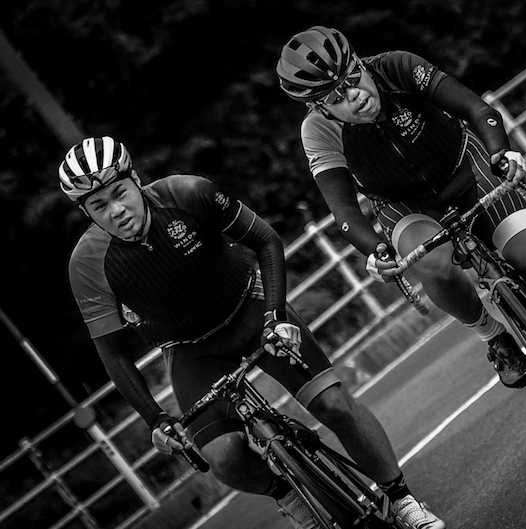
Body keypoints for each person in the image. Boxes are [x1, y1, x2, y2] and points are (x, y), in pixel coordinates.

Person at [276, 26, 526, 418]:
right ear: (319, 107)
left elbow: (477, 110)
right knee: (431, 264)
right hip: (404, 204)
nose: (354, 95)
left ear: (361, 62)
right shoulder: (317, 132)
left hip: (467, 168)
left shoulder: (397, 67)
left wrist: (504, 154)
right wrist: (375, 250)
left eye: (353, 78)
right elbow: (343, 211)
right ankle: (493, 335)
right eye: (335, 96)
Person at [59, 136, 445, 529]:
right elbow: (114, 353)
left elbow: (265, 239)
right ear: (86, 212)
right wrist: (155, 419)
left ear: (135, 180)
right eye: (99, 206)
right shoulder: (87, 265)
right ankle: (292, 497)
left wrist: (276, 316)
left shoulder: (187, 194)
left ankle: (402, 499)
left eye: (119, 193)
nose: (116, 210)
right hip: (191, 350)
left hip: (251, 308)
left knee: (333, 405)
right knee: (222, 458)